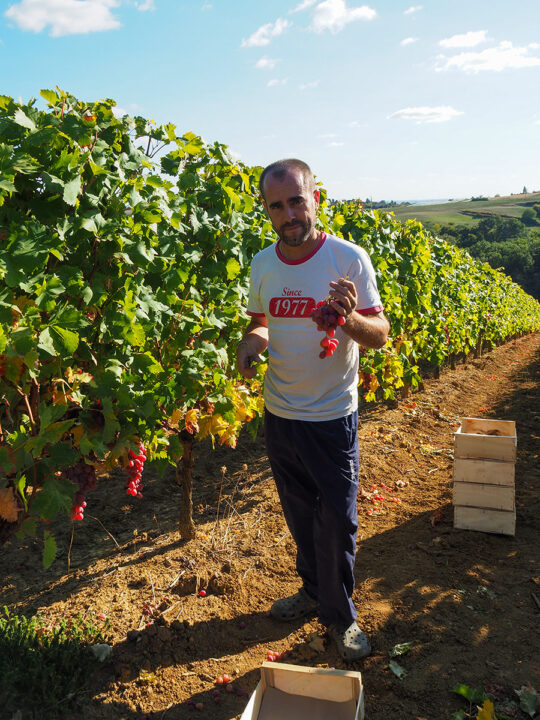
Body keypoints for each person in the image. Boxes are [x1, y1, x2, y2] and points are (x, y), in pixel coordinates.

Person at [236, 158, 389, 661]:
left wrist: (347, 320)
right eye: (276, 206)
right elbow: (261, 321)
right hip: (280, 415)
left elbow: (380, 335)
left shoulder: (348, 259)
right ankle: (311, 591)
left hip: (330, 418)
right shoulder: (263, 263)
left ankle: (341, 618)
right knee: (300, 515)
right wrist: (251, 342)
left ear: (315, 197)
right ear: (266, 210)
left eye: (296, 200)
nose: (289, 214)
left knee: (338, 522)